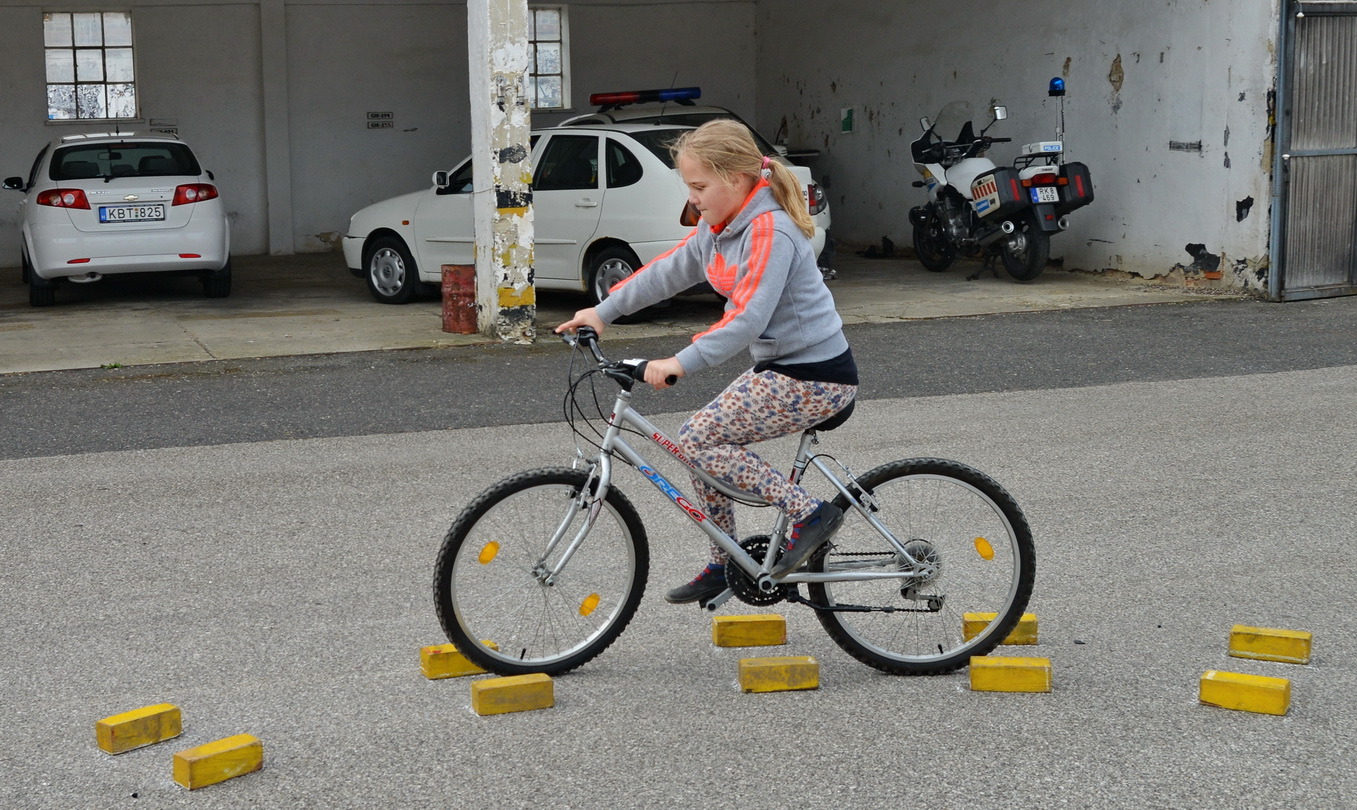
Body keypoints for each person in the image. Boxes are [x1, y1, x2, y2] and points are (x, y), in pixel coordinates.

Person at [555, 119, 858, 604]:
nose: (693, 197)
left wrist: (678, 361)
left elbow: (745, 321)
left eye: (699, 186)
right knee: (700, 440)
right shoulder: (720, 227)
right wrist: (603, 310)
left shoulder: (769, 231)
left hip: (816, 375)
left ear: (737, 180)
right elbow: (669, 272)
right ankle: (726, 561)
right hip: (783, 369)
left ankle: (809, 513)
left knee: (699, 438)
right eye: (688, 186)